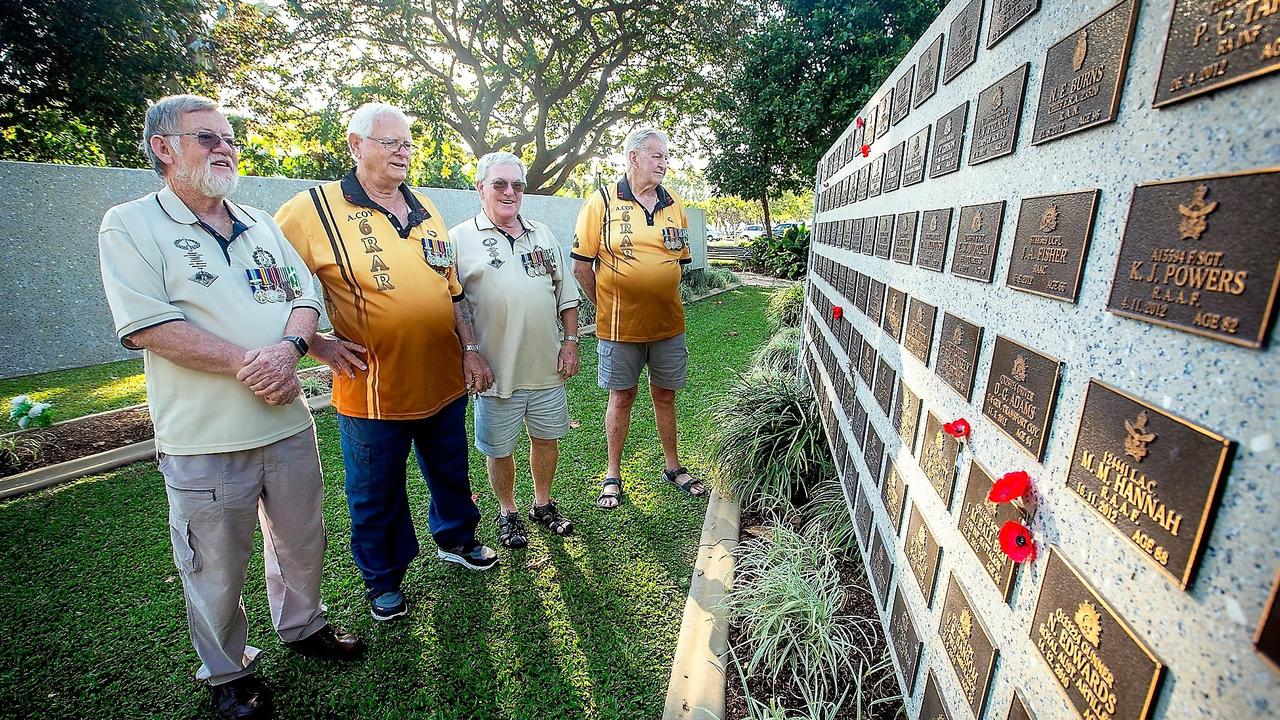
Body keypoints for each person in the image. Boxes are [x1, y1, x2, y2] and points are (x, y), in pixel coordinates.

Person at [98, 94, 363, 720]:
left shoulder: (257, 222)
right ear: (164, 149)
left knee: (301, 541)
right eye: (206, 137)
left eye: (227, 136)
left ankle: (302, 626)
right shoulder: (132, 224)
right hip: (204, 438)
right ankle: (227, 671)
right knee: (215, 565)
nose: (225, 147)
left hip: (288, 424)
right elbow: (147, 327)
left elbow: (305, 297)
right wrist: (257, 363)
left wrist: (293, 346)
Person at [274, 102, 497, 624]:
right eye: (390, 142)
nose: (403, 151)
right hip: (371, 388)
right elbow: (271, 283)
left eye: (407, 142)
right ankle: (384, 579)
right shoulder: (313, 209)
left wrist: (469, 348)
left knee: (450, 471)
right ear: (355, 146)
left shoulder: (426, 209)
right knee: (376, 492)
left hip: (443, 380)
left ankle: (458, 539)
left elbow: (453, 291)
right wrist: (319, 345)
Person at [570, 128, 706, 509]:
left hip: (668, 325)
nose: (663, 163)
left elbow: (679, 261)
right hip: (619, 328)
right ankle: (613, 474)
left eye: (665, 157)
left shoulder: (674, 203)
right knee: (622, 396)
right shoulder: (600, 202)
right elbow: (582, 267)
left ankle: (673, 466)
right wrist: (606, 306)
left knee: (665, 394)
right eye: (656, 156)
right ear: (633, 158)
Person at [451, 152, 581, 548]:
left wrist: (571, 343)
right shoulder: (459, 238)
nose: (511, 192)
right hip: (495, 372)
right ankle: (508, 511)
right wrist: (470, 351)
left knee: (546, 440)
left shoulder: (542, 233)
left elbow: (567, 295)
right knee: (499, 448)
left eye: (518, 185)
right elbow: (454, 302)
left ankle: (542, 504)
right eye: (500, 184)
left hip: (546, 367)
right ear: (480, 188)